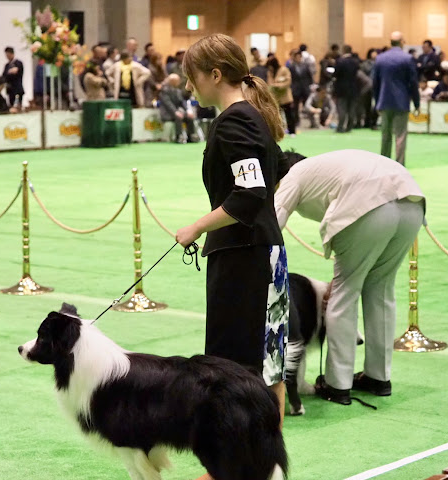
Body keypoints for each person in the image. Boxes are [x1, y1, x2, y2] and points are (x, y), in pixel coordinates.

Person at [175, 36, 290, 464]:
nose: (189, 87)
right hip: (260, 253)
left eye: (192, 77)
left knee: (236, 371)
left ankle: (242, 466)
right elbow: (271, 176)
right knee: (267, 366)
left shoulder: (234, 121)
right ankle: (262, 464)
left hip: (246, 259)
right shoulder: (251, 115)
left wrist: (196, 227)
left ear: (215, 74)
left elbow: (249, 193)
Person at [274, 149, 425, 405]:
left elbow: (273, 220)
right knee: (381, 290)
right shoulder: (323, 168)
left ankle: (337, 384)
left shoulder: (292, 175)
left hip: (368, 204)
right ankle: (378, 378)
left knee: (344, 294)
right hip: (412, 201)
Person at [372, 31, 420, 165]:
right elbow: (413, 83)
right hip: (401, 102)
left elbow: (375, 83)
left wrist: (377, 101)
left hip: (384, 101)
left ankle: (384, 164)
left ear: (390, 42)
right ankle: (399, 165)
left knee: (385, 136)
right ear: (402, 42)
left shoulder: (380, 59)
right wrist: (416, 103)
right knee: (400, 136)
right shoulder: (407, 59)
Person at [158, 73, 196, 143]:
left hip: (177, 112)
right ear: (173, 81)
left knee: (189, 117)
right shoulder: (164, 90)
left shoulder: (178, 91)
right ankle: (178, 136)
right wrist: (175, 112)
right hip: (168, 113)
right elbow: (168, 104)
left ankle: (191, 136)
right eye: (178, 80)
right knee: (178, 117)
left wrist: (188, 110)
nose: (179, 82)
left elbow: (182, 102)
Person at [267, 56, 296, 136]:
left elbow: (288, 81)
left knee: (289, 115)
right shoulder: (270, 72)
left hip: (285, 97)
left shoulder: (284, 70)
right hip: (275, 98)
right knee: (277, 116)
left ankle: (292, 131)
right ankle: (279, 132)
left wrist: (279, 85)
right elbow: (269, 83)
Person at [333, 45, 360, 133]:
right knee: (352, 109)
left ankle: (340, 127)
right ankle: (350, 126)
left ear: (343, 50)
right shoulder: (355, 62)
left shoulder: (340, 61)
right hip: (353, 87)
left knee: (342, 108)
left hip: (342, 88)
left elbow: (335, 74)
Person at [289, 50, 313, 127]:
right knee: (295, 107)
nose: (298, 58)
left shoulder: (305, 66)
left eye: (300, 57)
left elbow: (310, 77)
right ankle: (297, 121)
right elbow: (291, 78)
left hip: (305, 88)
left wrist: (310, 85)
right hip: (296, 89)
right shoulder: (291, 67)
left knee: (307, 105)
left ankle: (311, 121)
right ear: (295, 58)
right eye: (297, 57)